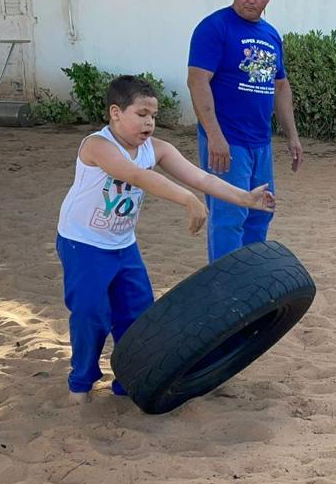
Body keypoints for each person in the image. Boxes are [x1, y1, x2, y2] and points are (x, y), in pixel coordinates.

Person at [56, 75, 276, 403]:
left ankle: (128, 381)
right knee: (91, 313)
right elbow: (135, 175)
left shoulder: (156, 148)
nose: (149, 123)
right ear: (116, 112)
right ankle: (81, 383)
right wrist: (186, 200)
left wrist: (244, 198)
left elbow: (200, 176)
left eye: (154, 116)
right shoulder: (97, 145)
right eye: (142, 114)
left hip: (122, 244)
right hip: (83, 244)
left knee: (138, 315)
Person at [187, 0, 303, 263]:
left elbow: (280, 86)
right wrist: (214, 136)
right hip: (228, 140)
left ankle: (250, 281)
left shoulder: (271, 35)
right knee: (229, 215)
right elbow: (197, 81)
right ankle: (226, 287)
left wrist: (292, 135)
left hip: (260, 142)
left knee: (260, 211)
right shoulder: (214, 28)